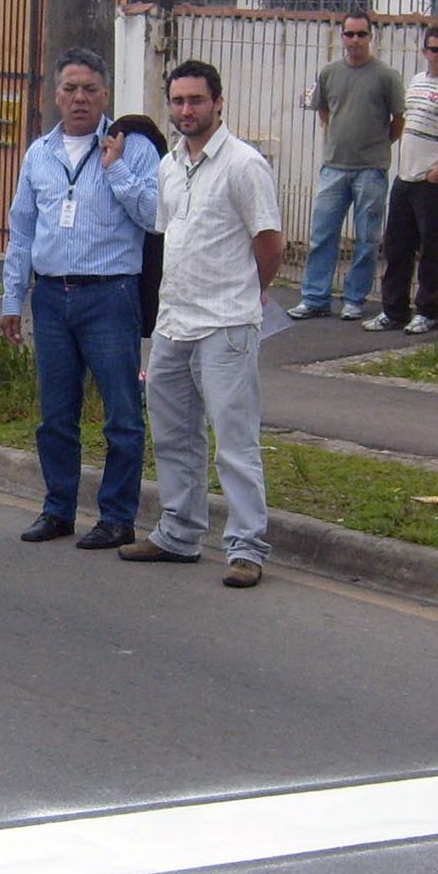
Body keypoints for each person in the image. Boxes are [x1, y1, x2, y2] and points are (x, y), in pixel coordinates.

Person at [120, 60, 284, 589]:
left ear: (219, 102)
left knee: (234, 441)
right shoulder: (169, 166)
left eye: (196, 100)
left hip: (227, 324)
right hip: (174, 321)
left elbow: (270, 242)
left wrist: (253, 292)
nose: (186, 110)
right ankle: (179, 533)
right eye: (178, 101)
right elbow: (171, 237)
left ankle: (246, 548)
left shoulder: (243, 165)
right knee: (171, 434)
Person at [0, 47, 159, 551]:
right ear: (56, 95)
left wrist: (115, 169)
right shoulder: (38, 153)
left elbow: (156, 215)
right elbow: (22, 230)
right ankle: (58, 508)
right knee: (56, 414)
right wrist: (11, 299)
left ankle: (116, 517)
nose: (79, 98)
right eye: (70, 89)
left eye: (90, 89)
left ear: (106, 94)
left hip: (109, 295)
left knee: (121, 414)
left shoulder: (130, 147)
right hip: (50, 296)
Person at [291, 9, 405, 321]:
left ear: (371, 36)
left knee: (367, 239)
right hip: (334, 167)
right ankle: (315, 298)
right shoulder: (329, 73)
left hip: (371, 169)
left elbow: (398, 121)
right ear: (341, 37)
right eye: (349, 34)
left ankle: (354, 299)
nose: (355, 40)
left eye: (361, 34)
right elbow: (324, 111)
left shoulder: (386, 76)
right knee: (321, 235)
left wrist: (378, 147)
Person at [365, 26, 438, 336]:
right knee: (397, 247)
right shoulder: (415, 81)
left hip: (436, 183)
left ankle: (428, 311)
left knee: (433, 250)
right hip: (406, 178)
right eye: (436, 49)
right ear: (425, 51)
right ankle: (394, 310)